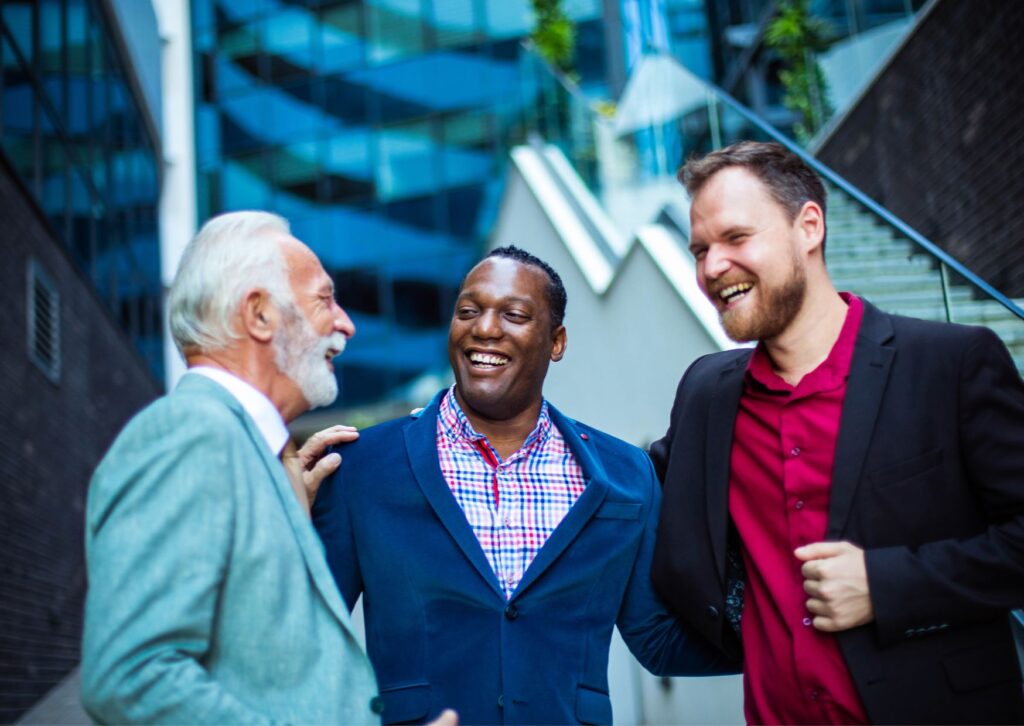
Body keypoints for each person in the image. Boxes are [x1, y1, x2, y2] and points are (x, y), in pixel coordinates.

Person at [649, 140, 1024, 724]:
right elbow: (635, 490)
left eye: (735, 238)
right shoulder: (706, 394)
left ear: (809, 227)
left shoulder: (951, 365)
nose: (711, 268)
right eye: (699, 249)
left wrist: (888, 583)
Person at [312, 246, 733, 725]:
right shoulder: (360, 467)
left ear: (556, 342)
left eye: (513, 314)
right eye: (468, 311)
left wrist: (792, 628)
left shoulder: (626, 474)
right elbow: (307, 644)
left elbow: (658, 640)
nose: (485, 328)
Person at [81, 211, 381, 723]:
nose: (345, 323)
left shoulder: (244, 452)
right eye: (324, 299)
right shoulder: (192, 436)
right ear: (259, 315)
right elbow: (130, 676)